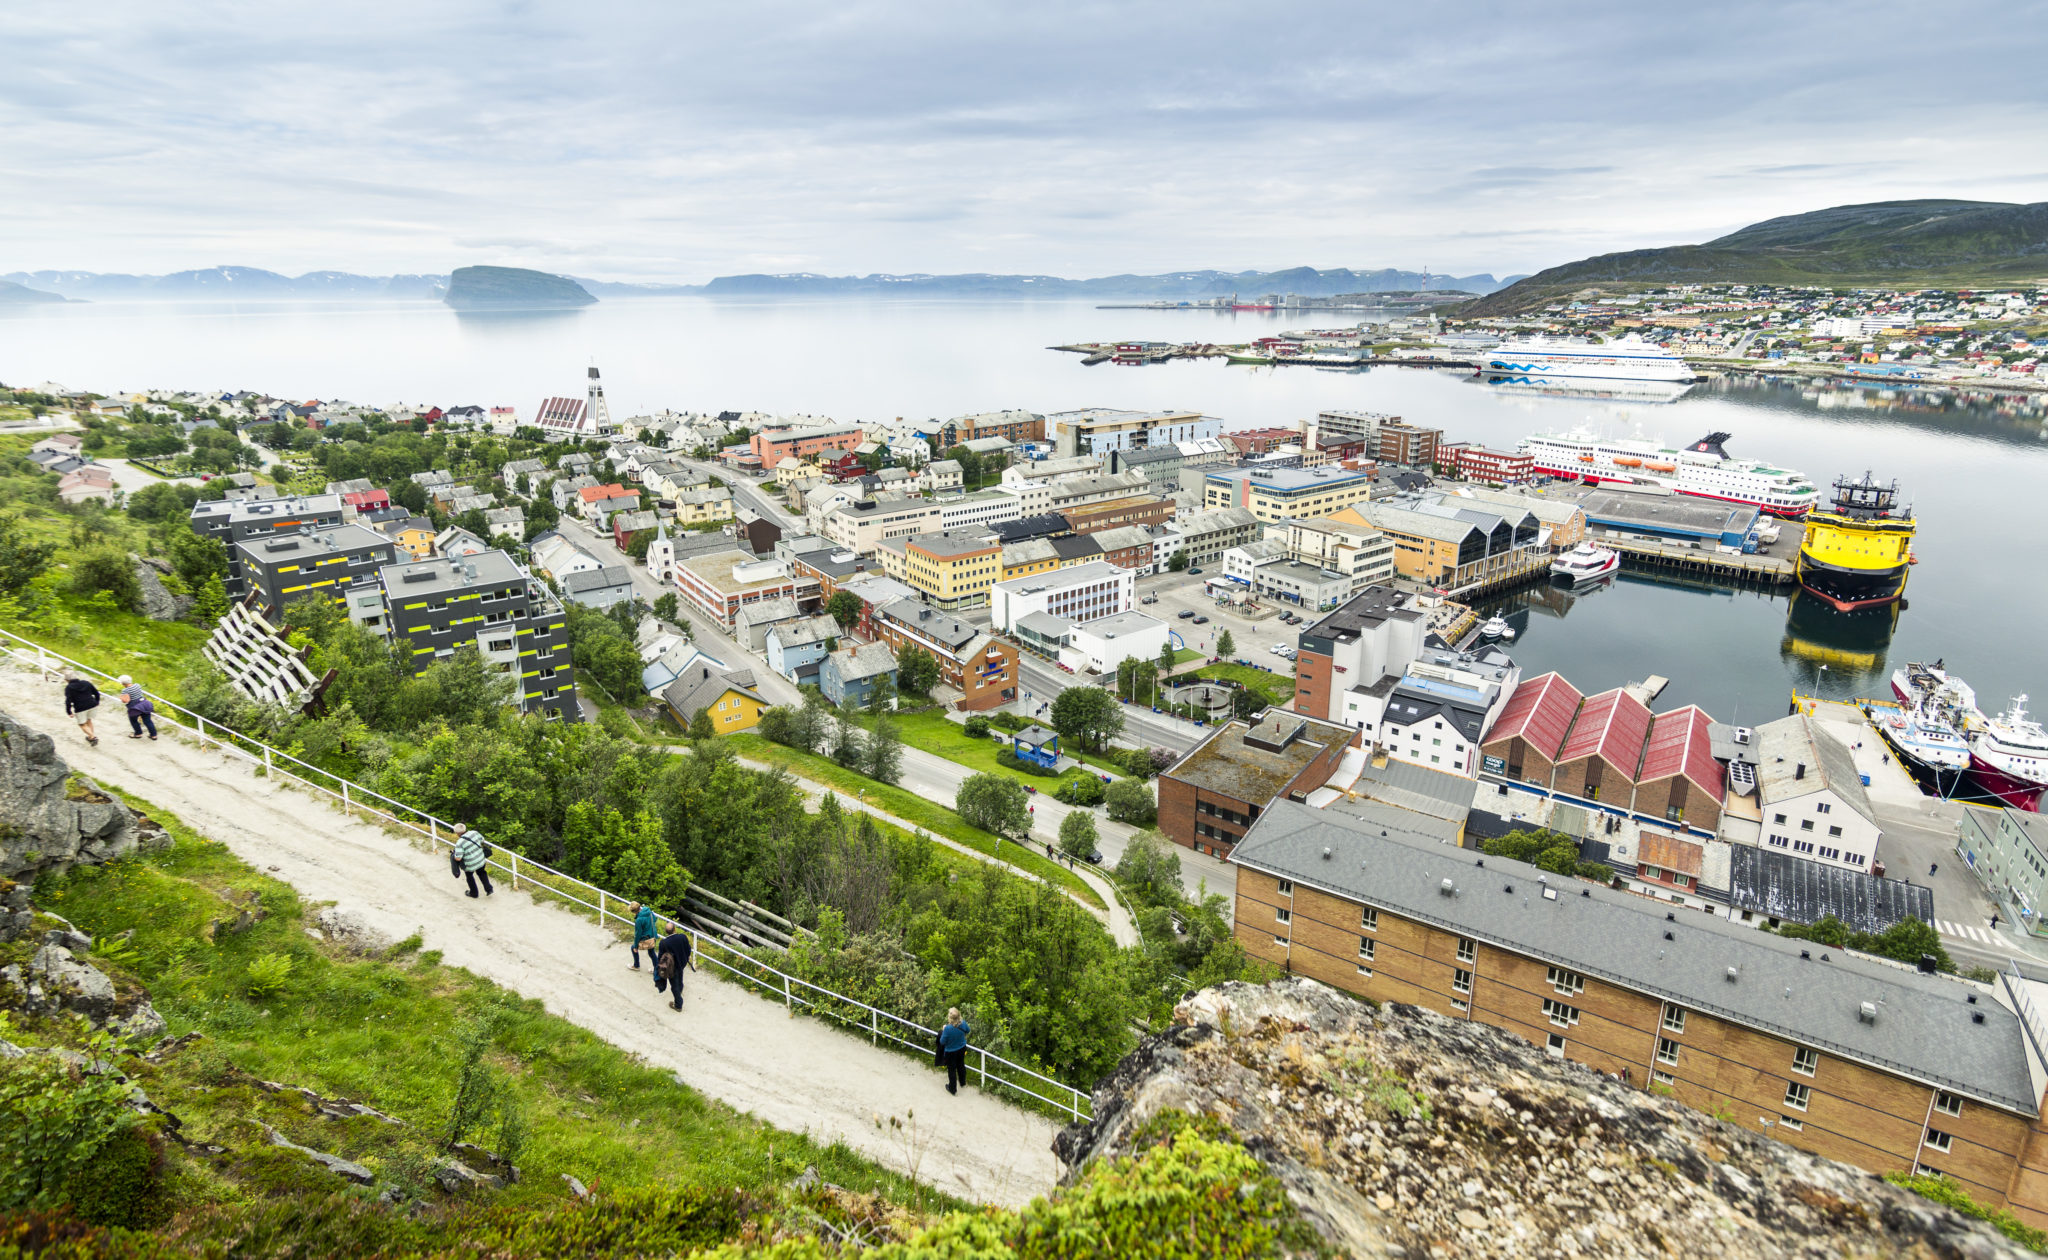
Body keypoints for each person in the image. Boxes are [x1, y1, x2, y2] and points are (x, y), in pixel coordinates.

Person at [654, 926, 695, 1010]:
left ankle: (678, 1004)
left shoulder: (663, 943)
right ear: (674, 929)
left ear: (666, 932)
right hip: (682, 963)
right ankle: (680, 989)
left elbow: (660, 958)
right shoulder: (682, 937)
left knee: (674, 986)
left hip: (672, 967)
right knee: (680, 977)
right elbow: (688, 948)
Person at [452, 822, 493, 898]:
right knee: (482, 873)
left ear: (457, 833)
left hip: (470, 864)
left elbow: (458, 858)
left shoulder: (459, 843)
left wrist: (453, 855)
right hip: (481, 859)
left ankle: (474, 893)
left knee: (469, 877)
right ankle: (489, 889)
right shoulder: (474, 833)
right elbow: (482, 840)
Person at [62, 672, 102, 747]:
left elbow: (68, 700)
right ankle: (90, 738)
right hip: (92, 704)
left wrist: (69, 711)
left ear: (67, 680)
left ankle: (93, 736)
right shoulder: (86, 683)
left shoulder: (69, 688)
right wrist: (97, 701)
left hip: (80, 707)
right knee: (89, 720)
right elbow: (96, 693)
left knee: (82, 724)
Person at [939, 1007, 970, 1095]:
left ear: (950, 1018)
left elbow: (942, 1041)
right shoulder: (963, 1023)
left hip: (951, 1051)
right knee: (961, 1065)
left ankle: (952, 1089)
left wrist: (944, 1029)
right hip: (962, 1048)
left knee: (952, 1069)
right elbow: (968, 1030)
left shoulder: (948, 1028)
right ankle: (962, 1082)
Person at [116, 675, 156, 741]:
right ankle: (153, 735)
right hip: (144, 704)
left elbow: (126, 701)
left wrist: (121, 697)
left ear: (123, 683)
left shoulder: (125, 690)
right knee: (148, 721)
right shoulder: (137, 685)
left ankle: (138, 733)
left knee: (133, 721)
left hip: (135, 708)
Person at [630, 902, 657, 970]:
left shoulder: (639, 920)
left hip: (646, 938)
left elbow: (638, 934)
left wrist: (636, 946)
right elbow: (655, 919)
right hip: (653, 935)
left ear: (634, 911)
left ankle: (636, 965)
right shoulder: (649, 911)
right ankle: (657, 969)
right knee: (651, 953)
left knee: (633, 948)